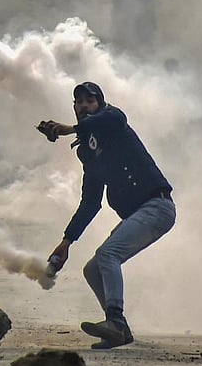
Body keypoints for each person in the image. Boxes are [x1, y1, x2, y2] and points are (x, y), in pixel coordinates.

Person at [37, 82, 176, 350]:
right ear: (74, 107)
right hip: (137, 213)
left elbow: (113, 118)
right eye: (79, 102)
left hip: (156, 207)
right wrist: (67, 242)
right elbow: (90, 202)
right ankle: (119, 331)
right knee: (92, 269)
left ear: (100, 104)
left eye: (91, 101)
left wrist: (69, 129)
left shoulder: (115, 123)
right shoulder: (87, 151)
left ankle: (115, 321)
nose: (85, 106)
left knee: (107, 255)